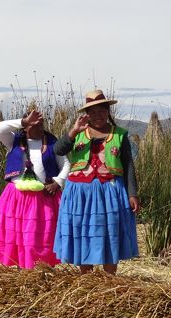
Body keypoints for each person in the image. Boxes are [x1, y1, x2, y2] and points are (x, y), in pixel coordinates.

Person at [53, 89, 140, 274]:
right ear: (87, 114)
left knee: (110, 233)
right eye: (92, 112)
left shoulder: (120, 135)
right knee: (83, 234)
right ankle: (87, 279)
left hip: (110, 192)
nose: (97, 115)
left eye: (101, 110)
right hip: (80, 193)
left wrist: (132, 193)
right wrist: (74, 131)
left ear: (108, 111)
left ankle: (109, 278)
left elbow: (129, 165)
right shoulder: (77, 133)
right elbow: (58, 150)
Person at [0, 110, 70, 269]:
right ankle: (22, 272)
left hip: (44, 198)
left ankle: (43, 271)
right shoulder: (13, 140)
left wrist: (57, 182)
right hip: (17, 198)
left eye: (41, 124)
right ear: (25, 127)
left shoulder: (53, 142)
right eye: (34, 124)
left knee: (41, 238)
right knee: (19, 237)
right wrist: (23, 121)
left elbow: (65, 164)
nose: (39, 128)